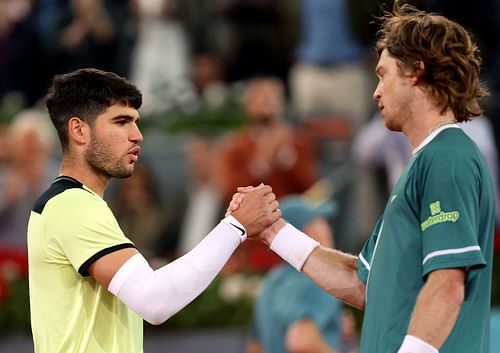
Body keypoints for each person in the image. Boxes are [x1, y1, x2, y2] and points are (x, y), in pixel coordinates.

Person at [230, 4, 495, 353]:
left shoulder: (446, 157)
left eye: (383, 75)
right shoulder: (426, 163)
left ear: (415, 72)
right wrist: (273, 232)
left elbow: (447, 285)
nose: (376, 91)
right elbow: (362, 285)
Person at [27, 67, 281, 353]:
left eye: (136, 122)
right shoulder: (72, 206)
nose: (137, 135)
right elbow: (155, 301)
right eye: (121, 122)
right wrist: (236, 226)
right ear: (79, 131)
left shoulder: (75, 203)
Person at [247, 194, 346, 353]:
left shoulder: (272, 280)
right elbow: (301, 340)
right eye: (319, 221)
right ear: (307, 232)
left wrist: (330, 326)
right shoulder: (319, 280)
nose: (328, 228)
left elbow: (255, 347)